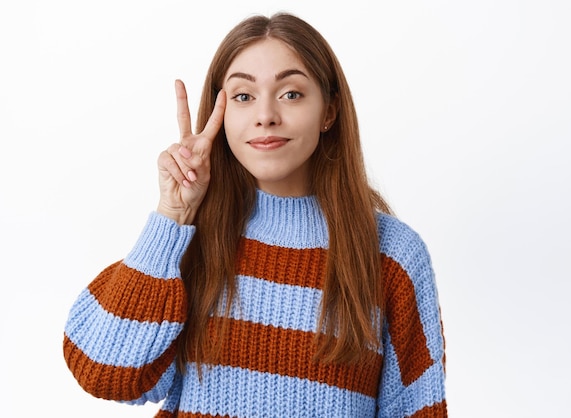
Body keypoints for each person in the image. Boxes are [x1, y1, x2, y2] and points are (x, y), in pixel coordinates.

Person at [62, 11, 447, 417]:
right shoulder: (190, 240)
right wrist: (173, 215)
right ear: (221, 114)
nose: (266, 115)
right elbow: (104, 373)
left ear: (329, 112)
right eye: (243, 96)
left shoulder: (392, 256)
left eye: (291, 94)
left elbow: (417, 410)